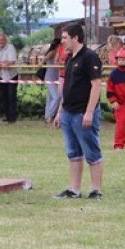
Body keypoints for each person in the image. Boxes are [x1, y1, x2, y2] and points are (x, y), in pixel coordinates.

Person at [53, 23, 104, 199]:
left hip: (83, 113)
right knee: (73, 152)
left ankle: (96, 190)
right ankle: (74, 190)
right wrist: (60, 112)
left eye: (65, 38)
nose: (62, 41)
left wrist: (89, 112)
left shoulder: (90, 57)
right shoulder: (69, 58)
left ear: (76, 38)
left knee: (91, 151)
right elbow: (67, 87)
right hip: (68, 112)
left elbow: (96, 85)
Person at [0, 32, 19, 123]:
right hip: (1, 74)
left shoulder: (10, 47)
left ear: (5, 40)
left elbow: (11, 62)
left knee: (11, 96)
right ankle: (7, 116)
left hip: (12, 75)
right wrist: (2, 64)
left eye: (2, 40)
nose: (1, 42)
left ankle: (12, 118)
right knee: (3, 96)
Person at [38, 37, 64, 124]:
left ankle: (47, 117)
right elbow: (46, 58)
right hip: (50, 78)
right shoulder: (53, 52)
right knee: (57, 97)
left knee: (50, 98)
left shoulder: (59, 52)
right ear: (59, 45)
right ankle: (50, 115)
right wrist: (41, 63)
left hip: (55, 78)